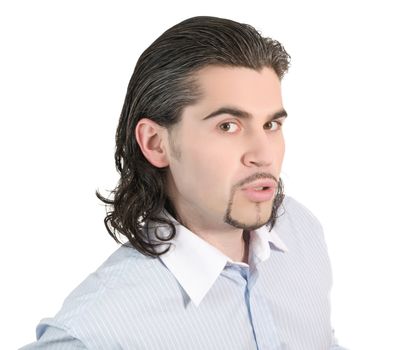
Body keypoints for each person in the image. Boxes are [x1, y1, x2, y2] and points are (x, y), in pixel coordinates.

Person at [21, 16, 347, 350]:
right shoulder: (95, 332)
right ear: (155, 143)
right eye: (228, 126)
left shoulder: (302, 231)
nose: (263, 155)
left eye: (271, 124)